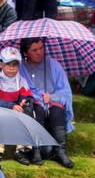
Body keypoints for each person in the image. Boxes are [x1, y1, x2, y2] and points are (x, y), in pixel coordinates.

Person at [20, 38, 75, 169]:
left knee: (57, 108)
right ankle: (36, 150)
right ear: (25, 53)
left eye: (41, 48)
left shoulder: (53, 65)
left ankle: (61, 151)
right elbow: (21, 90)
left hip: (52, 111)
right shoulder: (21, 68)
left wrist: (52, 97)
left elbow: (65, 92)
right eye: (34, 50)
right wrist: (38, 97)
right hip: (36, 111)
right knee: (35, 107)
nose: (39, 52)